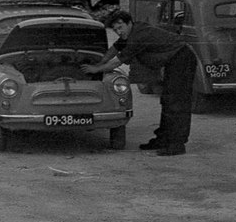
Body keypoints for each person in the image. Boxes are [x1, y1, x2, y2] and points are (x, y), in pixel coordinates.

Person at [81, 10, 197, 156]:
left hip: (182, 58)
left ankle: (176, 144)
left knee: (176, 101)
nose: (118, 31)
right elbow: (115, 48)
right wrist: (100, 61)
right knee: (167, 100)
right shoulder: (130, 32)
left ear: (129, 23)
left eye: (120, 27)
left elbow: (116, 62)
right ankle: (163, 139)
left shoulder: (138, 36)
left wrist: (96, 68)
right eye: (115, 29)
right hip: (173, 61)